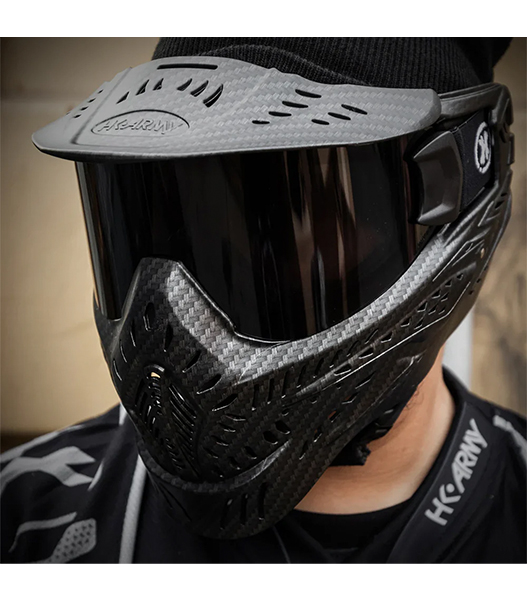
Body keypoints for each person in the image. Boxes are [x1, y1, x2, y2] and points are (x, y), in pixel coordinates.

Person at [1, 37, 525, 564]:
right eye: (172, 226)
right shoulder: (23, 515)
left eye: (284, 235)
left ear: (457, 191)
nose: (174, 324)